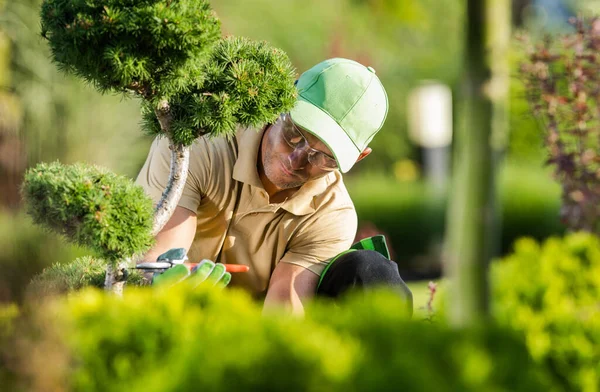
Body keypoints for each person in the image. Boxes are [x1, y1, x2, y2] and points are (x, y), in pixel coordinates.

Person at [136, 58, 412, 315]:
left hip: (247, 330)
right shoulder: (199, 147)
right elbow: (155, 261)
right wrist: (168, 285)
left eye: (324, 157)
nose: (296, 159)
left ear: (359, 156)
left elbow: (283, 307)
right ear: (280, 103)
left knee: (372, 274)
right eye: (295, 134)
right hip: (168, 314)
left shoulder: (332, 213)